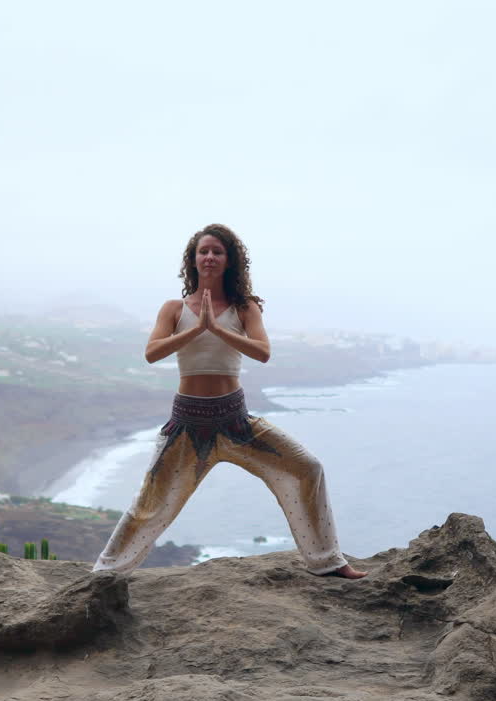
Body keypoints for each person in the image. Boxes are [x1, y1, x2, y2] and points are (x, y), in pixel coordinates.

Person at [92, 223, 367, 579]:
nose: (209, 257)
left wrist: (218, 328)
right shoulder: (174, 308)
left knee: (307, 468)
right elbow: (151, 353)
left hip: (236, 421)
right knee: (148, 505)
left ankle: (329, 561)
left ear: (229, 260)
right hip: (188, 424)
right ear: (192, 260)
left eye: (217, 252)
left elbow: (263, 352)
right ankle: (104, 573)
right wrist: (197, 328)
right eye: (203, 251)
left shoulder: (245, 307)